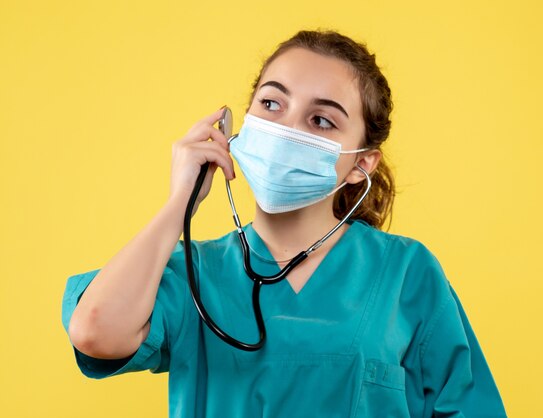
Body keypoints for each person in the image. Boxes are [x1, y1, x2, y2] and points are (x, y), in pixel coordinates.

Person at [61, 29, 507, 417]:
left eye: (321, 120)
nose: (288, 129)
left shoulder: (407, 274)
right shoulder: (194, 274)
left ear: (361, 164)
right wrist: (179, 204)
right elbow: (94, 331)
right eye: (272, 103)